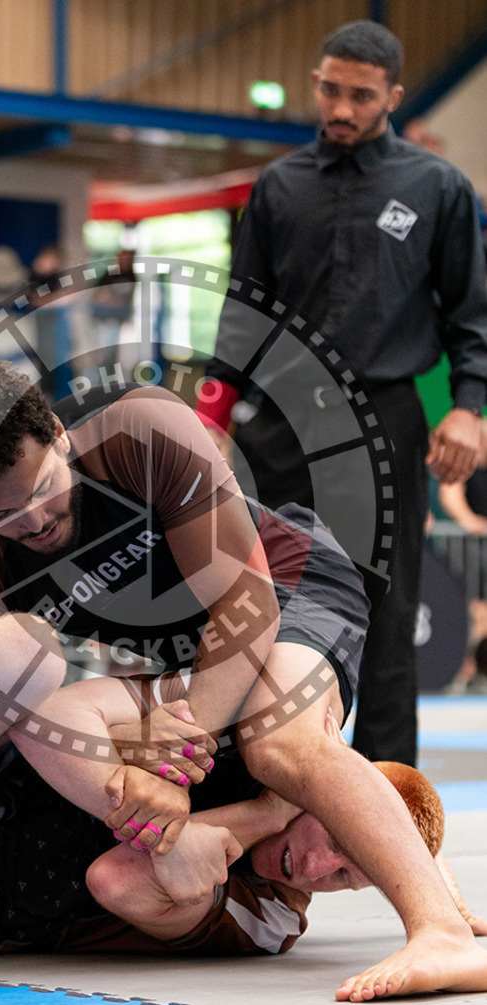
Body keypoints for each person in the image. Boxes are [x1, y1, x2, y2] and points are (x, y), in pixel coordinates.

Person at [0, 360, 486, 1000]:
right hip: (165, 670)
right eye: (1, 516)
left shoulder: (141, 435)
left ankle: (440, 933)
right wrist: (134, 762)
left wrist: (170, 764)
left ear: (62, 439)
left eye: (42, 490)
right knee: (21, 657)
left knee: (277, 744)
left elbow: (245, 607)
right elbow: (3, 719)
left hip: (283, 579)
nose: (34, 523)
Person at [198, 19, 487, 768]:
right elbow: (242, 309)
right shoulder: (276, 185)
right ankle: (243, 772)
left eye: (360, 96)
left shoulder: (436, 187)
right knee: (252, 597)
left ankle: (387, 792)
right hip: (280, 421)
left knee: (387, 609)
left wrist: (466, 405)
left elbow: (471, 312)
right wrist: (212, 415)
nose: (341, 107)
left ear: (390, 96)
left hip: (383, 418)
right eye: (330, 89)